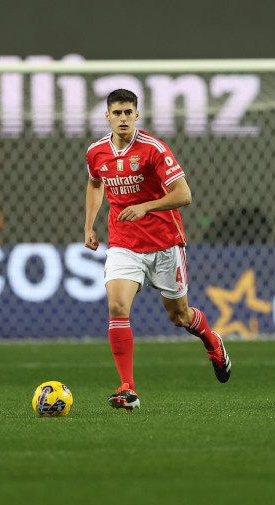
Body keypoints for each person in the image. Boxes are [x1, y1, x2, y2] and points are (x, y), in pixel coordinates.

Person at [84, 89, 231, 411]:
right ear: (107, 116)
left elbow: (184, 194)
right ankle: (127, 388)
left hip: (164, 242)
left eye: (128, 112)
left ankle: (212, 341)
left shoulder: (153, 150)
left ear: (137, 115)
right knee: (117, 307)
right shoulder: (96, 152)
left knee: (179, 316)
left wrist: (146, 207)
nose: (123, 118)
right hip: (124, 242)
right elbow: (96, 183)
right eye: (117, 113)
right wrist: (89, 225)